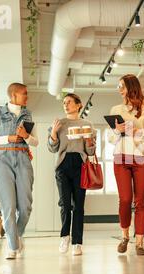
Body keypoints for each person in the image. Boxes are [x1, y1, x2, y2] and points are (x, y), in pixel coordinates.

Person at [0, 83, 38, 260]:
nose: (27, 97)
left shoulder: (28, 114)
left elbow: (35, 142)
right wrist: (8, 137)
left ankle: (17, 235)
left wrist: (26, 136)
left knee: (26, 207)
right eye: (24, 94)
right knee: (8, 207)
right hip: (3, 160)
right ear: (14, 95)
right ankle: (12, 246)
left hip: (23, 160)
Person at [107, 74, 144, 256]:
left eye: (122, 86)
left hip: (139, 159)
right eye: (118, 86)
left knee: (140, 202)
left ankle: (139, 243)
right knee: (125, 199)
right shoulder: (116, 109)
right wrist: (117, 130)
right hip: (120, 158)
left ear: (131, 87)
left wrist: (136, 131)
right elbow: (110, 139)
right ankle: (124, 236)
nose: (119, 90)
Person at [48, 93, 96, 256]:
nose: (66, 105)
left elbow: (91, 151)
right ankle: (65, 236)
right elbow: (52, 148)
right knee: (65, 204)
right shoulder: (59, 124)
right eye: (64, 102)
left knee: (79, 206)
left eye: (69, 102)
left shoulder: (87, 124)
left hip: (80, 165)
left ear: (79, 105)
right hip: (62, 164)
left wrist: (89, 141)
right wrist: (53, 133)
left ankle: (77, 242)